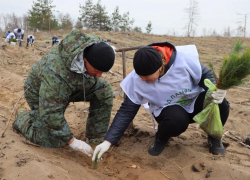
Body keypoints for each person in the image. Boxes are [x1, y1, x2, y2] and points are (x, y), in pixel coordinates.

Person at [92, 42, 230, 161]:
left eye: (146, 76)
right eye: (140, 76)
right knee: (176, 121)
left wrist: (216, 88)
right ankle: (161, 139)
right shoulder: (137, 80)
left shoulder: (182, 61)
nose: (143, 80)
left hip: (195, 102)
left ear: (160, 68)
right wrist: (108, 141)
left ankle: (214, 138)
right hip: (169, 110)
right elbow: (127, 110)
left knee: (222, 104)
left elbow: (205, 74)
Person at [13, 29, 115, 156]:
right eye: (96, 70)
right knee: (51, 141)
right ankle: (23, 117)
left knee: (103, 90)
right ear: (85, 60)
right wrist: (72, 141)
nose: (99, 75)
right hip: (40, 92)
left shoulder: (95, 47)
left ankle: (95, 138)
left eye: (102, 72)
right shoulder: (56, 71)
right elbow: (51, 113)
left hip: (74, 83)